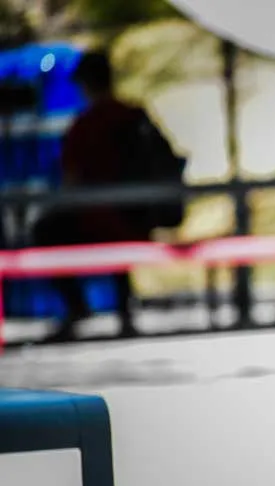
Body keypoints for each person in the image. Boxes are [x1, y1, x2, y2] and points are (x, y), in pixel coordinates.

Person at [32, 49, 184, 342]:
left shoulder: (84, 126)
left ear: (85, 84)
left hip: (102, 221)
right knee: (115, 221)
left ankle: (77, 307)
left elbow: (71, 181)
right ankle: (124, 313)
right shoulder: (135, 115)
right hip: (143, 218)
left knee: (47, 229)